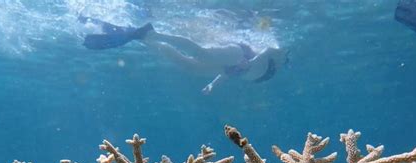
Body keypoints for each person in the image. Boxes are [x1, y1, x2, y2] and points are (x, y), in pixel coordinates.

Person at [79, 16, 289, 94]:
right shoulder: (279, 58)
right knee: (201, 52)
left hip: (232, 67)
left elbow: (233, 74)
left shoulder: (264, 73)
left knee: (188, 65)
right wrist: (250, 61)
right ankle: (154, 33)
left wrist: (213, 85)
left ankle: (144, 38)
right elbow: (270, 50)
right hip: (239, 54)